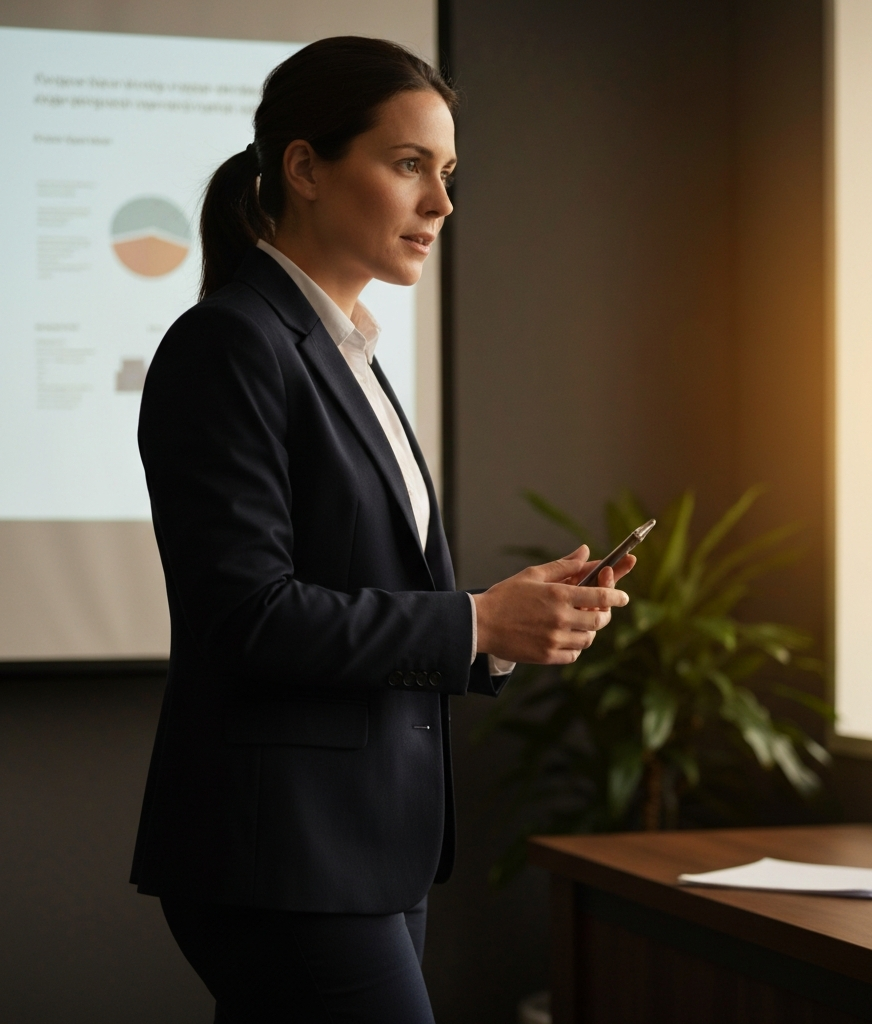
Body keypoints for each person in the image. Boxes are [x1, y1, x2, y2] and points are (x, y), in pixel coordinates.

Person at [130, 36, 633, 1024]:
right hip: (285, 854)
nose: (441, 204)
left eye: (446, 174)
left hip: (365, 849)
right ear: (305, 168)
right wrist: (477, 624)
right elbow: (247, 616)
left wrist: (503, 622)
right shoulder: (230, 344)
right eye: (409, 166)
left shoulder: (344, 347)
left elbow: (366, 582)